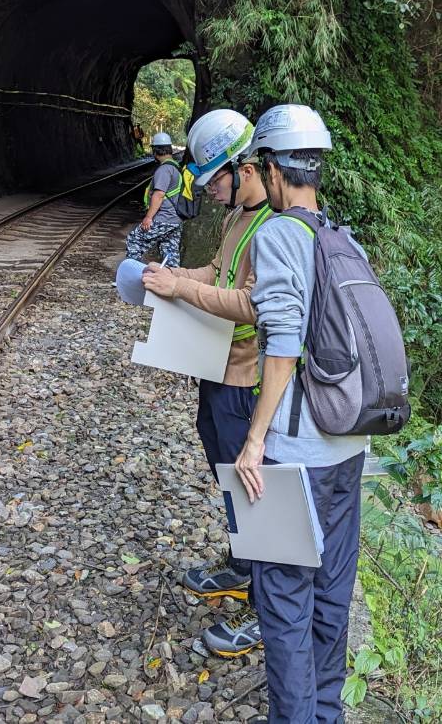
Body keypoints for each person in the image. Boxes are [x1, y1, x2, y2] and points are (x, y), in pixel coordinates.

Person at [236, 104, 368, 724]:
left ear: (271, 169)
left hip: (294, 457)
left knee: (284, 602)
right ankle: (325, 714)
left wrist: (254, 441)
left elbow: (282, 345)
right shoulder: (344, 239)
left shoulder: (276, 236)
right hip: (348, 448)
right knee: (331, 598)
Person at [140, 109, 270, 658]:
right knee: (224, 468)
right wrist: (167, 281)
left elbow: (251, 303)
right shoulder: (235, 215)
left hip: (246, 377)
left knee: (253, 484)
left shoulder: (274, 226)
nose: (209, 191)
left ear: (244, 168)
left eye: (215, 179)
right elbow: (216, 273)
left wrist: (183, 291)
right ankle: (244, 566)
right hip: (217, 366)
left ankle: (269, 607)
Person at [125, 132, 183, 268]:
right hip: (175, 220)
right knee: (170, 252)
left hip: (163, 218)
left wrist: (148, 217)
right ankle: (172, 283)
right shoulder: (175, 167)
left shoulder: (164, 170)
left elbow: (159, 195)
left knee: (134, 240)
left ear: (155, 151)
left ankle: (132, 275)